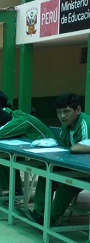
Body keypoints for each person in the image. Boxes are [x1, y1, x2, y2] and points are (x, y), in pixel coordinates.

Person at [19, 93, 90, 226]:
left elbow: (79, 150)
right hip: (75, 166)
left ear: (78, 110)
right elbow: (64, 147)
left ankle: (49, 220)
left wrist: (72, 150)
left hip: (85, 169)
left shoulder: (85, 124)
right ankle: (39, 214)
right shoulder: (66, 125)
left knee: (69, 183)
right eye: (59, 112)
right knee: (46, 172)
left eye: (66, 111)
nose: (62, 116)